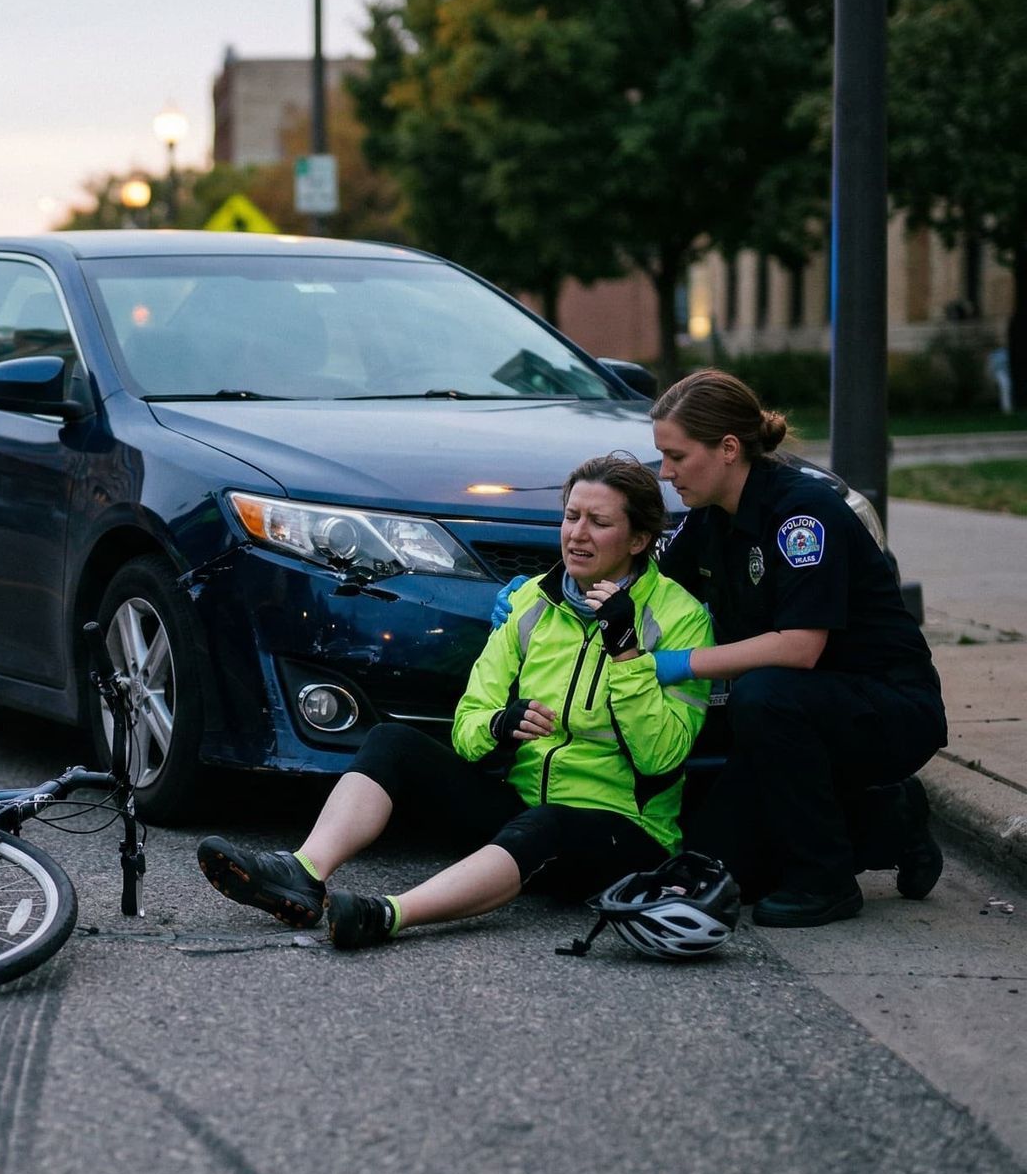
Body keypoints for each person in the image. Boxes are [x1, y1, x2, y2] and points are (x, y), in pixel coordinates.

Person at [197, 454, 714, 949]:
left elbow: (661, 757)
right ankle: (304, 872)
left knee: (547, 824)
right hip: (524, 816)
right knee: (391, 741)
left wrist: (625, 654)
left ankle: (390, 914)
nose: (577, 534)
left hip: (624, 837)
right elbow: (466, 730)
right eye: (571, 516)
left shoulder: (680, 617)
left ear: (640, 538)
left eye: (598, 522)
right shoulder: (531, 600)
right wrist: (500, 726)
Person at [646, 369, 947, 926]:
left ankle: (826, 883)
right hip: (800, 715)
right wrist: (559, 591)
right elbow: (650, 591)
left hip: (887, 706)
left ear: (728, 449)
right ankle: (889, 816)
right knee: (717, 865)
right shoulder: (711, 519)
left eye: (676, 457)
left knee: (763, 694)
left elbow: (802, 647)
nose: (666, 473)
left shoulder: (803, 514)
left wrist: (677, 664)